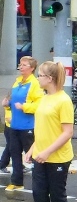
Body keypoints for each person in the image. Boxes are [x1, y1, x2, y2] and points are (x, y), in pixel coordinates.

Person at [23, 61, 74, 202]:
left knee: (57, 197)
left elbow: (67, 132)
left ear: (50, 78)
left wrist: (47, 151)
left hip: (57, 158)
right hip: (40, 156)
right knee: (39, 195)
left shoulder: (63, 100)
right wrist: (33, 149)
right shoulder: (44, 98)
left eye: (41, 75)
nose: (38, 78)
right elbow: (43, 129)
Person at [2, 56, 43, 191]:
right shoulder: (17, 81)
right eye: (20, 64)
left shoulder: (35, 83)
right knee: (15, 154)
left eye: (24, 65)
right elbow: (13, 100)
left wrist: (25, 107)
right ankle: (17, 182)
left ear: (32, 68)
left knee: (33, 156)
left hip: (28, 126)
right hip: (14, 125)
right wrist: (7, 104)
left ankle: (41, 184)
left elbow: (39, 104)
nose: (21, 67)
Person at [0, 99, 12, 174]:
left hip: (14, 126)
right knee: (11, 146)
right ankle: (2, 164)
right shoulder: (12, 100)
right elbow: (5, 104)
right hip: (11, 127)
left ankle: (19, 165)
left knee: (16, 147)